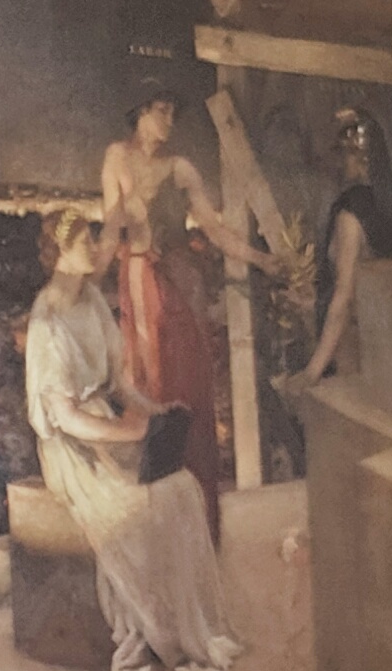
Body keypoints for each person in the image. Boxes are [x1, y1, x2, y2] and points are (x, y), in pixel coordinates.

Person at [25, 206, 239, 671]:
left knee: (181, 489)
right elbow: (67, 419)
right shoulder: (47, 322)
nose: (94, 248)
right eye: (84, 242)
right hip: (73, 450)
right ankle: (156, 636)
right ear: (60, 253)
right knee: (141, 508)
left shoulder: (91, 302)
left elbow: (120, 385)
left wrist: (156, 411)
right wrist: (129, 433)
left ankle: (188, 630)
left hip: (109, 428)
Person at [99, 91, 272, 545]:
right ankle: (160, 526)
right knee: (150, 387)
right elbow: (113, 227)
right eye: (162, 111)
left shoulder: (181, 169)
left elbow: (214, 230)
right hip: (141, 284)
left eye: (173, 112)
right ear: (140, 113)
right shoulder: (117, 156)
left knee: (188, 389)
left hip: (181, 288)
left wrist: (262, 259)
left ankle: (196, 525)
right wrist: (82, 281)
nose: (169, 120)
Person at [303, 100, 392, 382]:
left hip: (354, 347)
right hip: (390, 343)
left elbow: (344, 294)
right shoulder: (389, 206)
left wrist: (311, 372)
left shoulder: (351, 211)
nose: (338, 163)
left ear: (360, 157)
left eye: (343, 154)